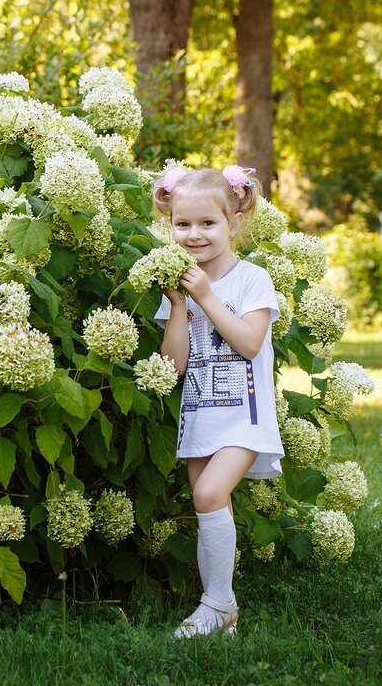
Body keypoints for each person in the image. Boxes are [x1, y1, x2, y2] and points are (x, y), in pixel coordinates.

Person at [152, 163, 284, 639]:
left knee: (210, 492)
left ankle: (215, 605)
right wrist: (180, 306)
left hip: (244, 416)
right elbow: (173, 366)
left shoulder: (252, 279)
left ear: (234, 222)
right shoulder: (180, 288)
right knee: (210, 505)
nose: (193, 234)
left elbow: (249, 342)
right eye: (182, 224)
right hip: (199, 412)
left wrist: (205, 296)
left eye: (207, 223)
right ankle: (222, 611)